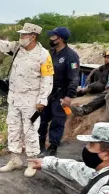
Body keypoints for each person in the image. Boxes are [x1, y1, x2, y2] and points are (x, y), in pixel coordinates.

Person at [0, 23, 54, 177]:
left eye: (24, 35)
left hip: (31, 99)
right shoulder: (17, 48)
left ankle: (32, 162)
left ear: (33, 37)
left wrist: (42, 100)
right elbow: (1, 45)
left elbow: (47, 79)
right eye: (21, 34)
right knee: (13, 128)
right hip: (14, 97)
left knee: (30, 130)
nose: (21, 37)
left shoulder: (43, 55)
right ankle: (15, 159)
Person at [38, 27, 81, 157]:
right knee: (42, 120)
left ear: (60, 39)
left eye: (53, 37)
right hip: (47, 92)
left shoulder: (71, 56)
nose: (50, 39)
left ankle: (52, 148)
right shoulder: (50, 53)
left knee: (57, 121)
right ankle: (40, 146)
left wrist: (69, 96)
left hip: (61, 94)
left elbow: (74, 78)